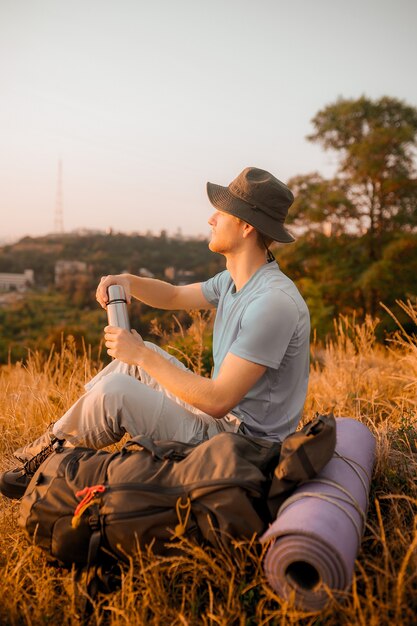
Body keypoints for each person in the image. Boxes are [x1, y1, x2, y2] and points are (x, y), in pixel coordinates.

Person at [0, 166, 310, 500]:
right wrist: (127, 281)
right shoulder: (235, 283)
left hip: (243, 450)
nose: (210, 220)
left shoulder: (272, 302)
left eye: (220, 213)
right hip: (225, 428)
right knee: (129, 367)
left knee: (121, 384)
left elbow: (218, 400)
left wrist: (142, 355)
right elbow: (174, 296)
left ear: (246, 226)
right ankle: (50, 449)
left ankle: (48, 463)